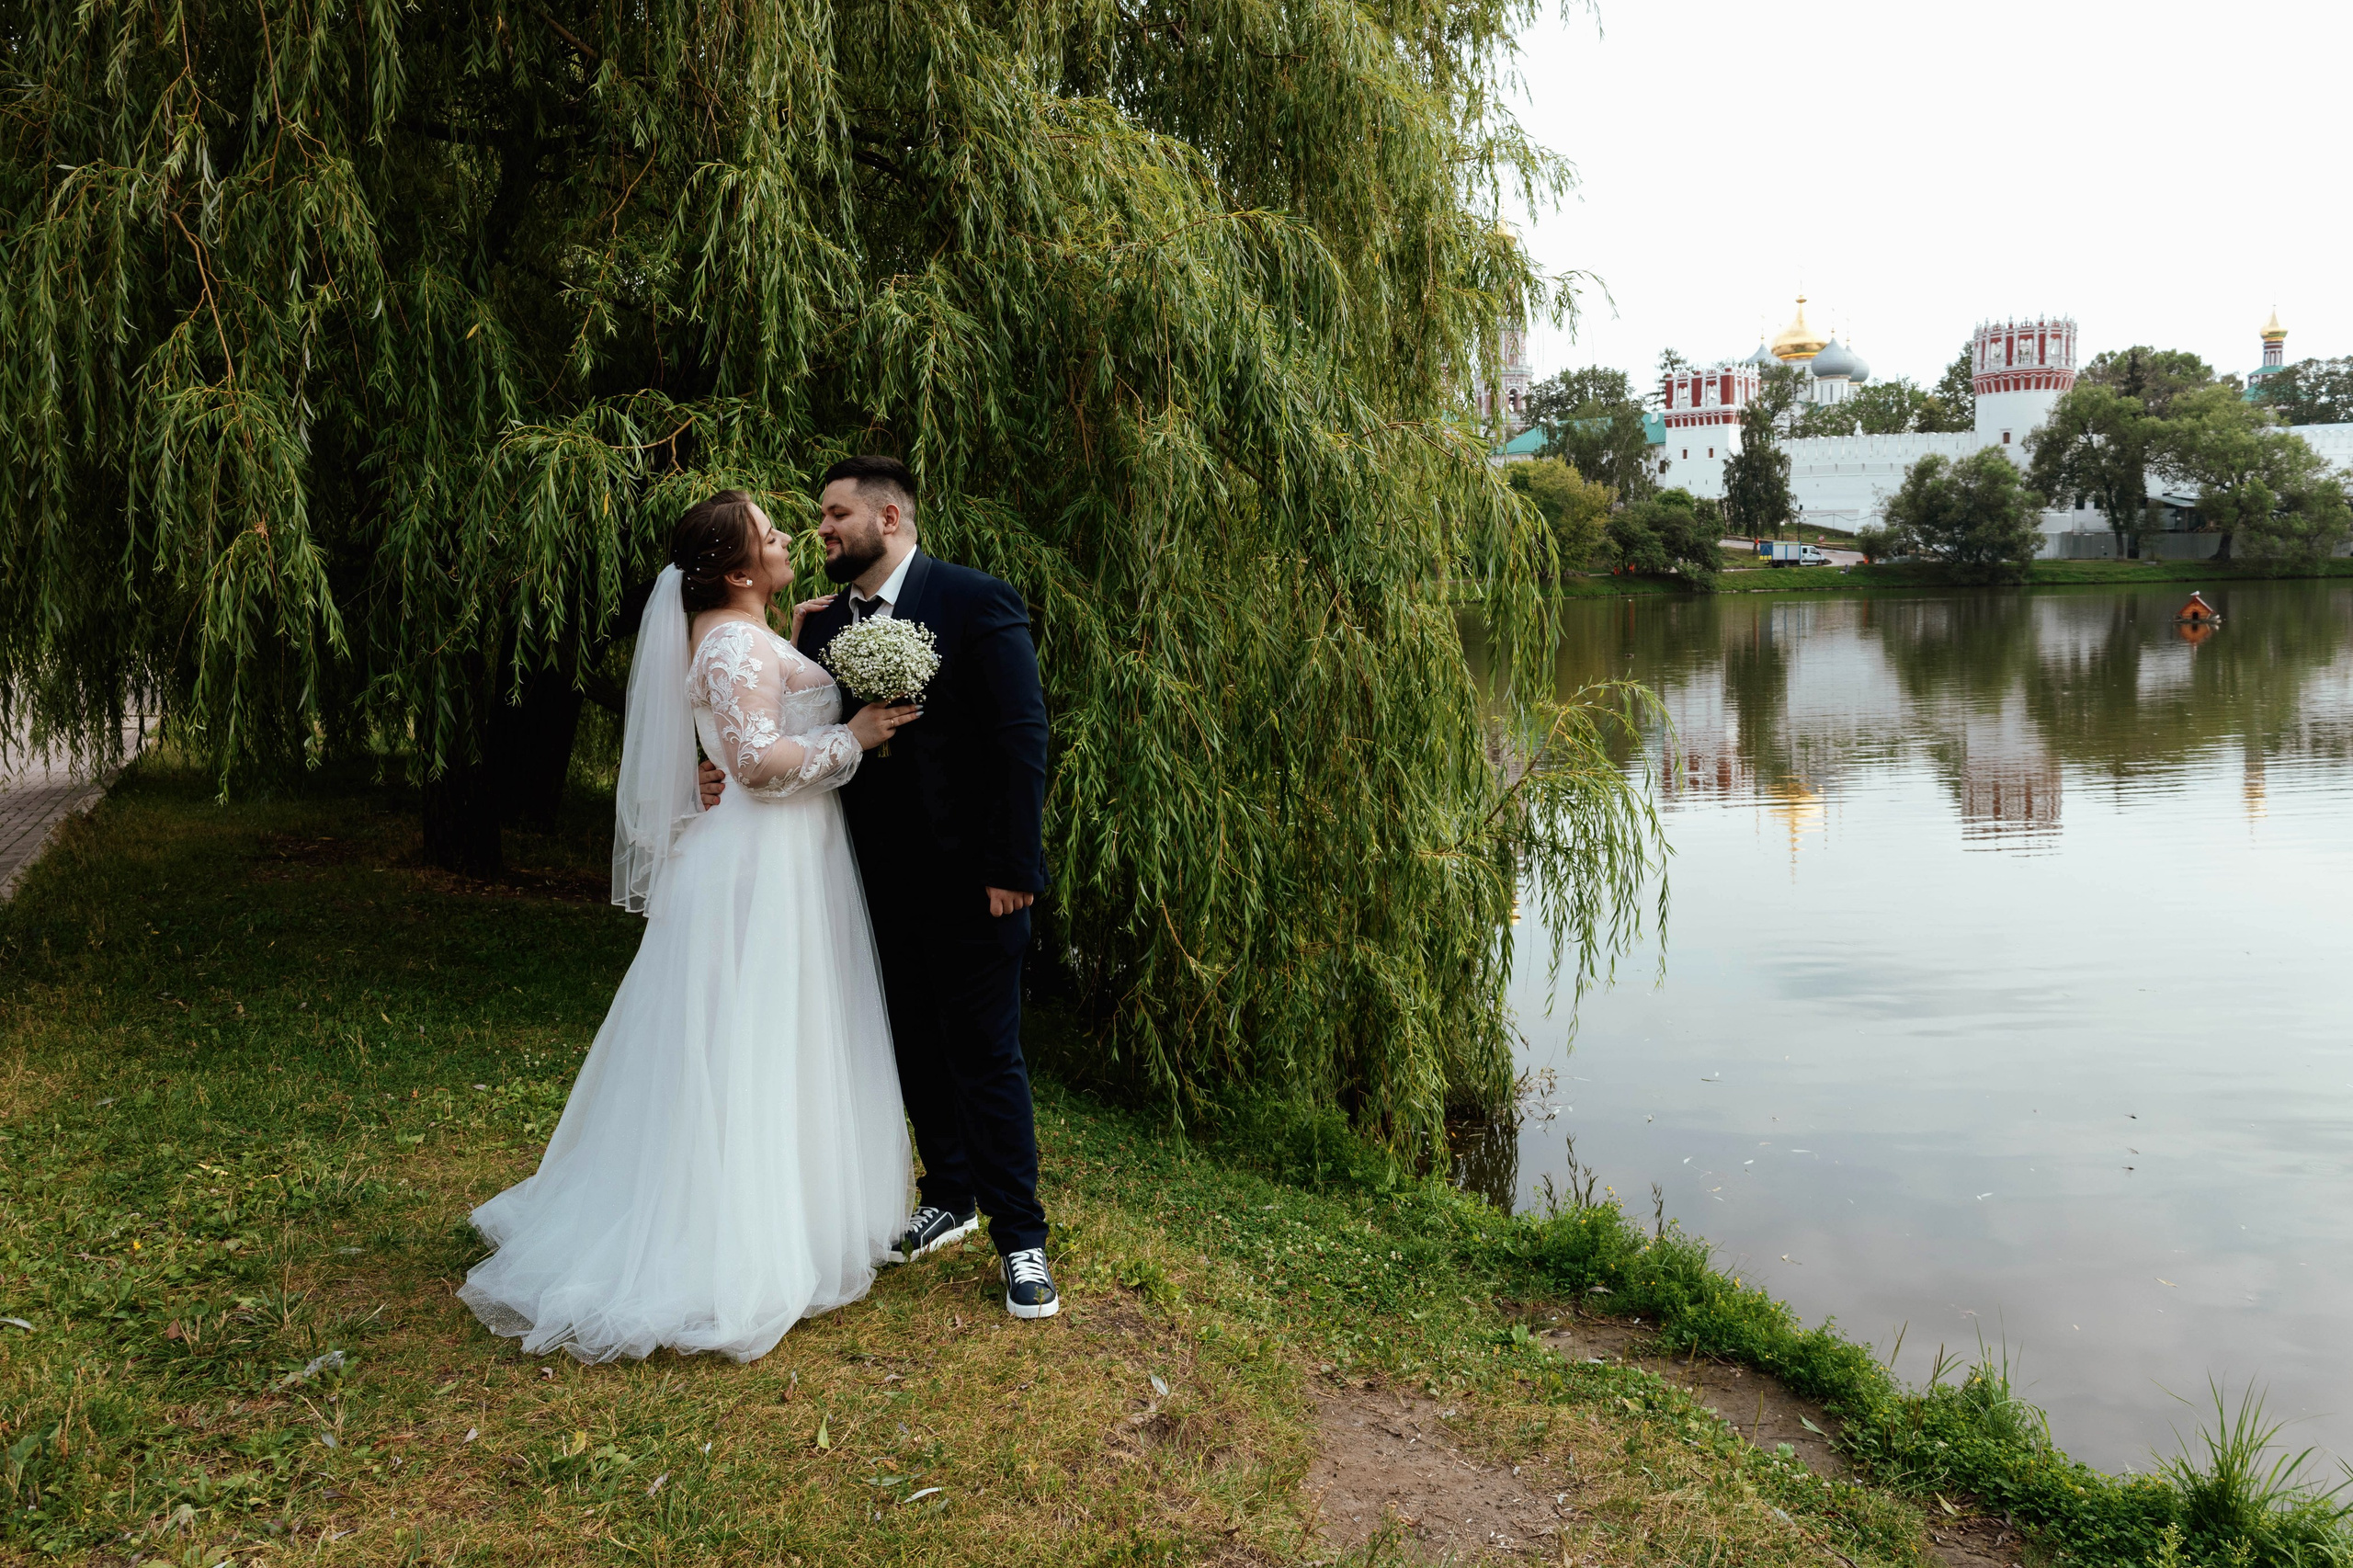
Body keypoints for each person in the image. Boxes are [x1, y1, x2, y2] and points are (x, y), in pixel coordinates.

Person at [457, 491, 922, 1363]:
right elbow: (755, 763)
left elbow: (744, 729)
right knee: (746, 1040)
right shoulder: (736, 641)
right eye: (772, 533)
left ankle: (781, 1212)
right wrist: (856, 734)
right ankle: (727, 1244)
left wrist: (804, 639)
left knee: (755, 1036)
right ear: (741, 572)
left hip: (775, 854)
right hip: (762, 861)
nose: (790, 537)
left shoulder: (736, 632)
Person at [699, 455, 1057, 1319]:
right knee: (909, 1042)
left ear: (888, 519)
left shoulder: (977, 601)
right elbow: (769, 719)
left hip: (976, 883)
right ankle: (949, 1193)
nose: (820, 529)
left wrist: (1014, 867)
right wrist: (713, 771)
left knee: (985, 1053)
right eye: (817, 520)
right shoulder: (820, 628)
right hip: (867, 881)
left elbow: (1021, 738)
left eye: (834, 516)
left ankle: (1023, 1242)